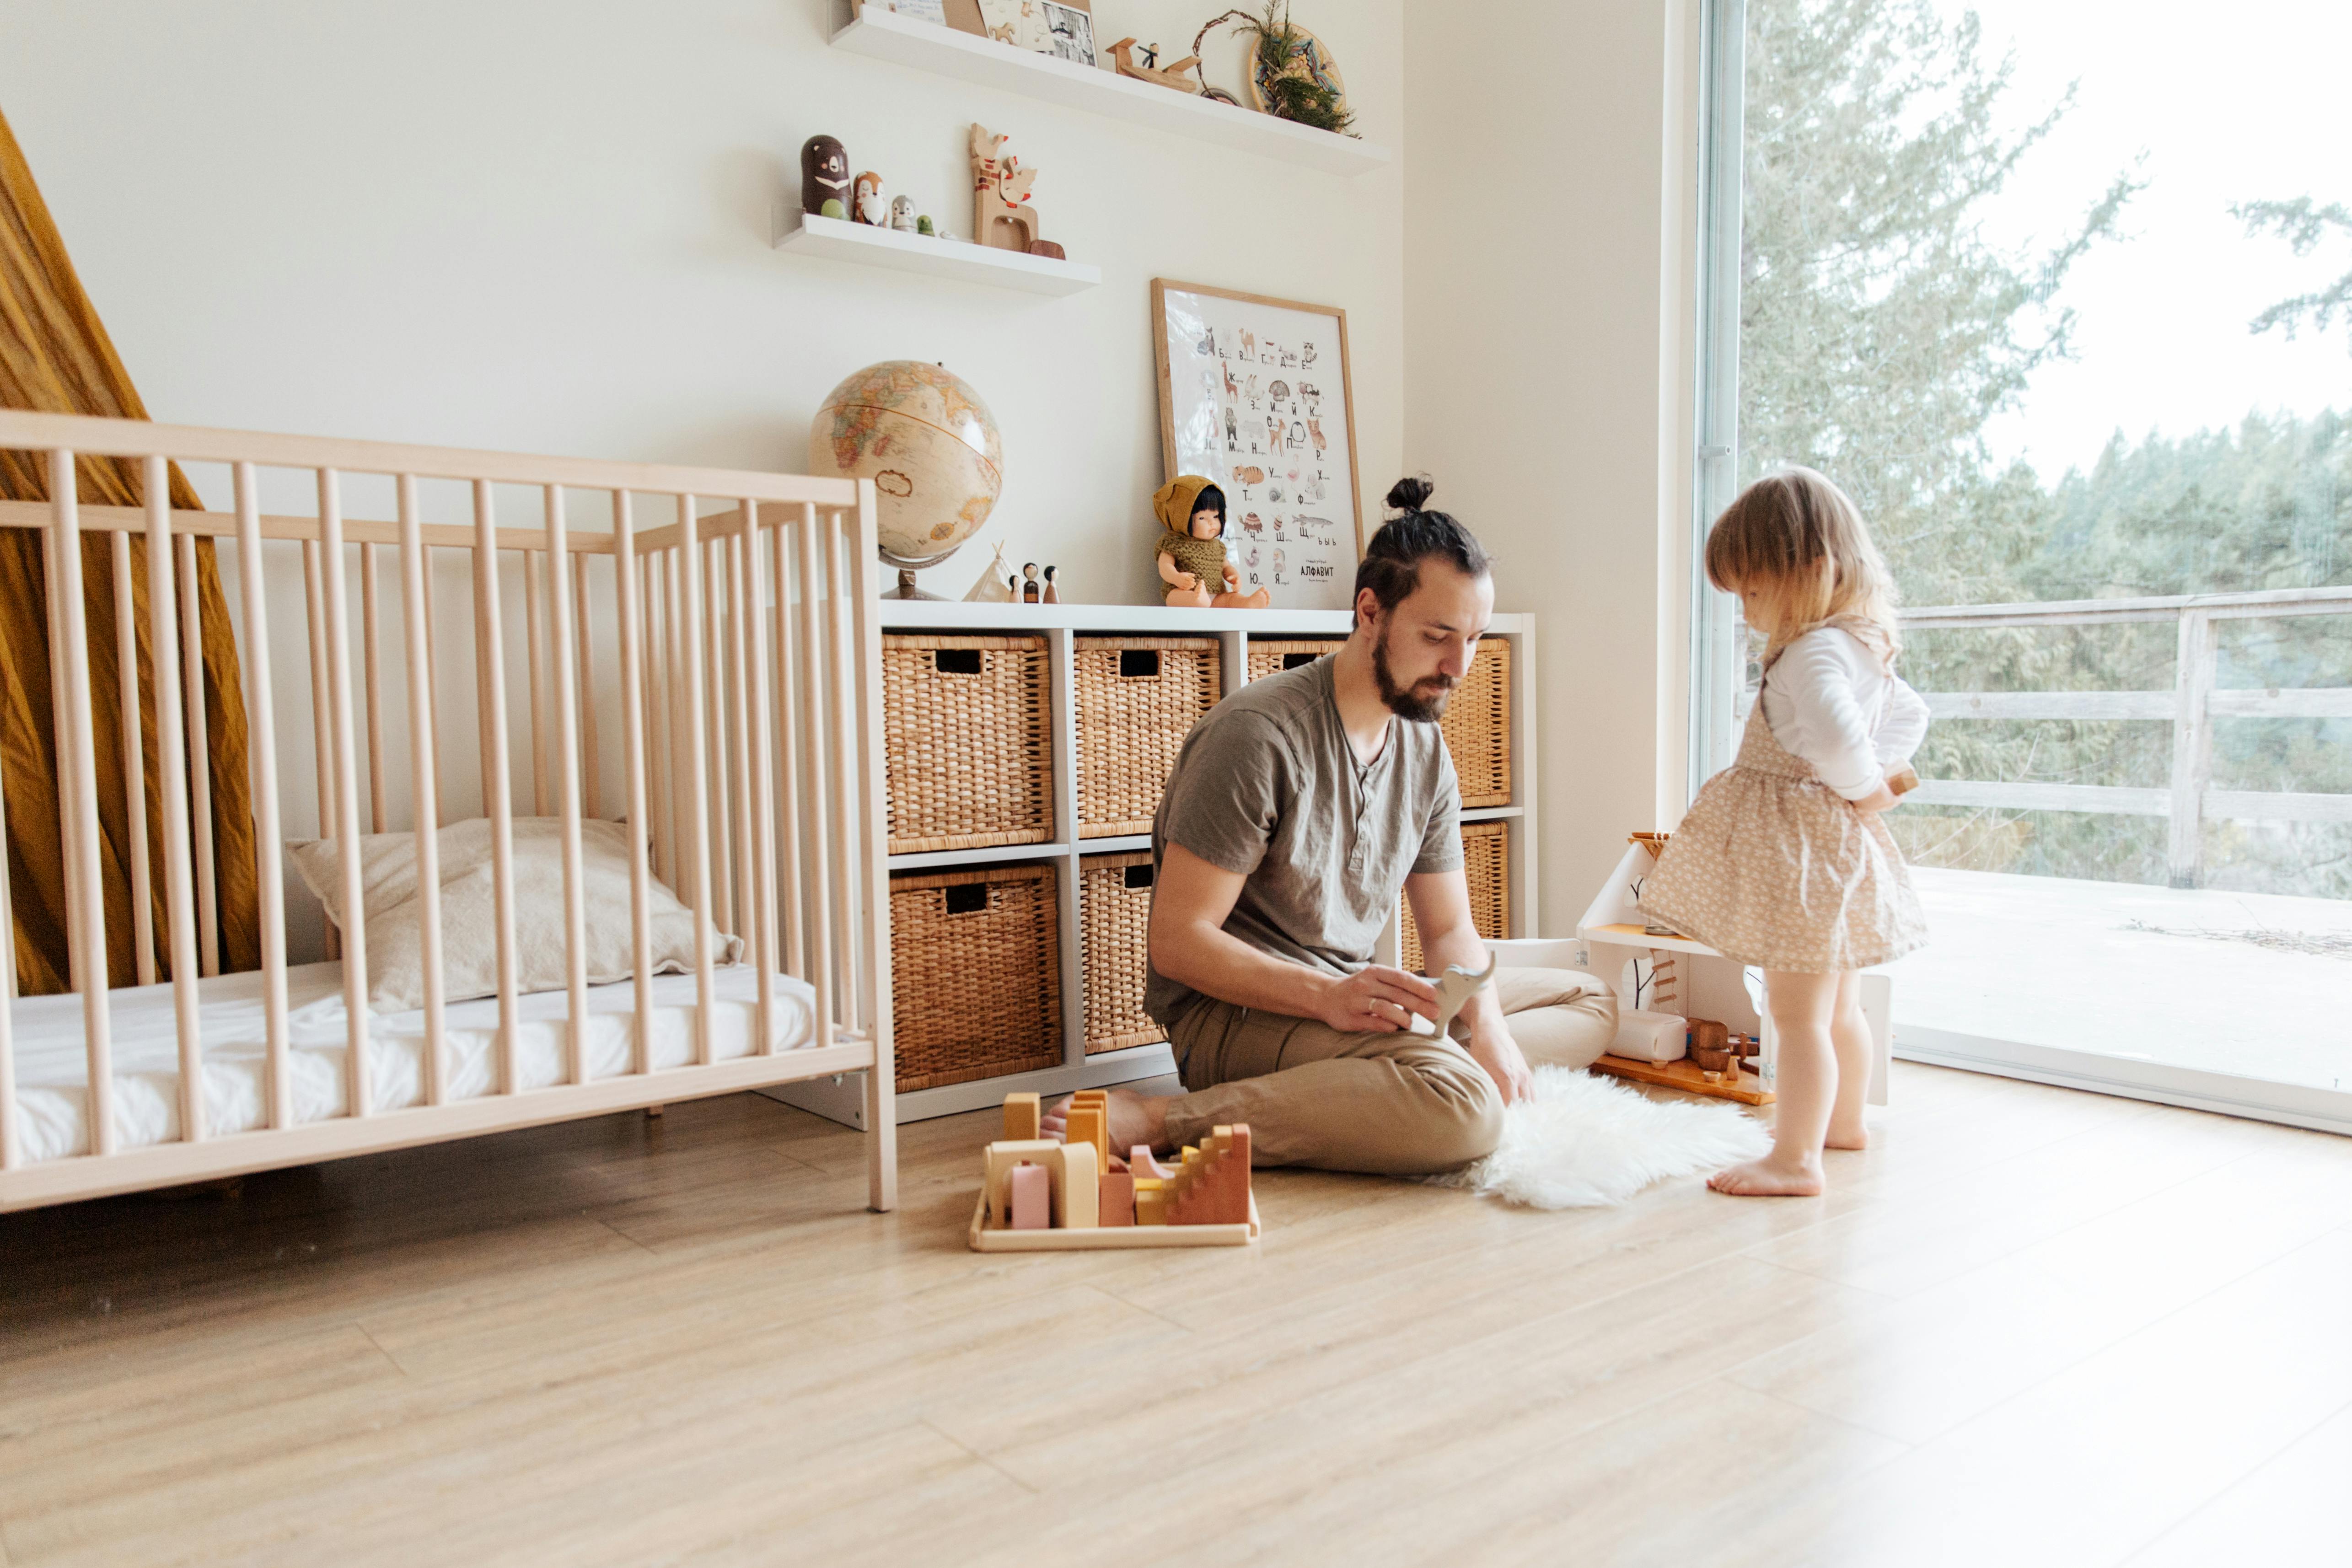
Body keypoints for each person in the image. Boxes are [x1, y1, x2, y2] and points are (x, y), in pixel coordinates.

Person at [1049, 477, 1617, 1175]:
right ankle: (1168, 1118)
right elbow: (1177, 944)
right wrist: (1329, 997)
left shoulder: (1421, 745)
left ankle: (1401, 1075)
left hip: (1346, 990)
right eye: (1437, 636)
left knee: (1585, 997)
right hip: (1234, 1016)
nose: (1458, 667)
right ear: (1369, 613)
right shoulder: (1257, 737)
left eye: (1473, 638)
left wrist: (1490, 1029)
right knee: (1464, 1111)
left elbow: (1445, 931)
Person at [1639, 467, 1930, 1197]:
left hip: (1800, 850)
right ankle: (1841, 1125)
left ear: (1809, 570)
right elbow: (1910, 715)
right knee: (1838, 1008)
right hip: (1835, 845)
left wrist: (1864, 782)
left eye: (1752, 591)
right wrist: (1879, 779)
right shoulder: (1863, 644)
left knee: (1792, 1013)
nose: (1745, 610)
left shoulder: (1812, 651)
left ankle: (1795, 1158)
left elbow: (1833, 734)